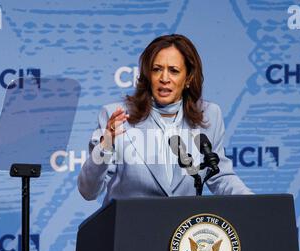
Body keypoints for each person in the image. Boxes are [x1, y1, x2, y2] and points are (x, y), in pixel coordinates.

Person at [78, 34, 252, 205]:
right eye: (157, 69)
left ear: (188, 78)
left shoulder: (209, 115)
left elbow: (220, 176)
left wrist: (256, 205)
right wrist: (105, 144)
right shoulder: (116, 116)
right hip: (127, 229)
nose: (164, 79)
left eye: (174, 71)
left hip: (183, 230)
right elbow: (88, 191)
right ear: (147, 75)